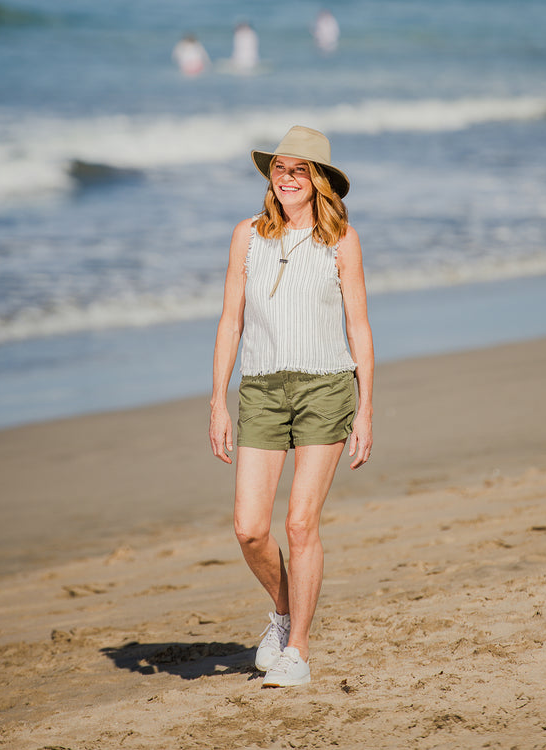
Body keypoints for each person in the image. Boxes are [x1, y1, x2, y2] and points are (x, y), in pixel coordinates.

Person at [210, 126, 374, 688]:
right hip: (259, 389)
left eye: (299, 169)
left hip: (326, 388)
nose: (285, 177)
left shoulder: (342, 241)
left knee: (300, 523)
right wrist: (218, 401)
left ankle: (298, 650)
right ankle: (282, 614)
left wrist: (367, 410)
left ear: (319, 181)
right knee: (250, 529)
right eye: (279, 167)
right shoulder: (247, 237)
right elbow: (230, 321)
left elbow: (359, 328)